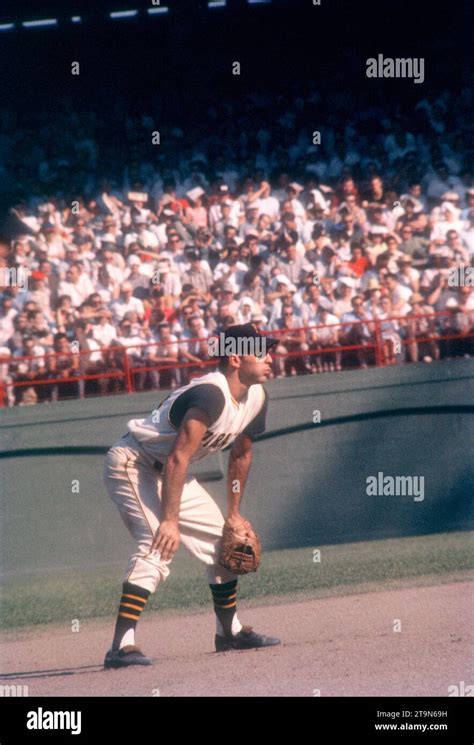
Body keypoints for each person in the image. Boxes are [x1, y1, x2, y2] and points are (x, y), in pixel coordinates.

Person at [103, 323, 281, 668]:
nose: (270, 358)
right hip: (133, 463)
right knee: (157, 544)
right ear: (234, 357)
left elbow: (241, 455)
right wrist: (170, 521)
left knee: (223, 542)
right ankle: (120, 646)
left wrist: (234, 513)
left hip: (170, 472)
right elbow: (178, 457)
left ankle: (228, 632)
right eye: (261, 351)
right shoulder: (210, 394)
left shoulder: (256, 396)